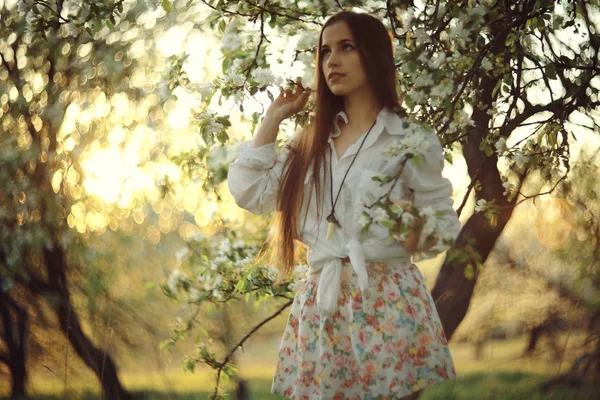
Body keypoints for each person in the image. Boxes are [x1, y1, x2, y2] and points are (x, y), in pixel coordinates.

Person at [227, 10, 461, 400]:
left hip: (386, 297)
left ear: (373, 55)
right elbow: (249, 191)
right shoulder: (308, 144)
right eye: (324, 51)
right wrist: (273, 118)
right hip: (324, 303)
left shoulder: (410, 139)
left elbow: (443, 224)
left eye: (345, 47)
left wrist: (415, 227)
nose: (331, 60)